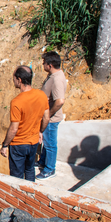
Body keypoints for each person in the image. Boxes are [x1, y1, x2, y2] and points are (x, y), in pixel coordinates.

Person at [0, 66, 49, 182]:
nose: (13, 80)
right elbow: (46, 118)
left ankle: (17, 199)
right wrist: (40, 131)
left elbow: (13, 129)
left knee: (17, 176)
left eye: (14, 78)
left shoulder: (17, 102)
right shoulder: (41, 95)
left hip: (18, 145)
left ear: (19, 80)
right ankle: (30, 197)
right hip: (33, 143)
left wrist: (5, 145)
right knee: (30, 170)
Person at [36, 52, 67, 180]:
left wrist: (48, 115)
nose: (43, 65)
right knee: (46, 141)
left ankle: (50, 169)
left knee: (50, 144)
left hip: (51, 119)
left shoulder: (57, 79)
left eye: (44, 63)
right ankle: (43, 162)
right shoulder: (53, 75)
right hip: (47, 116)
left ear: (49, 65)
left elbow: (60, 101)